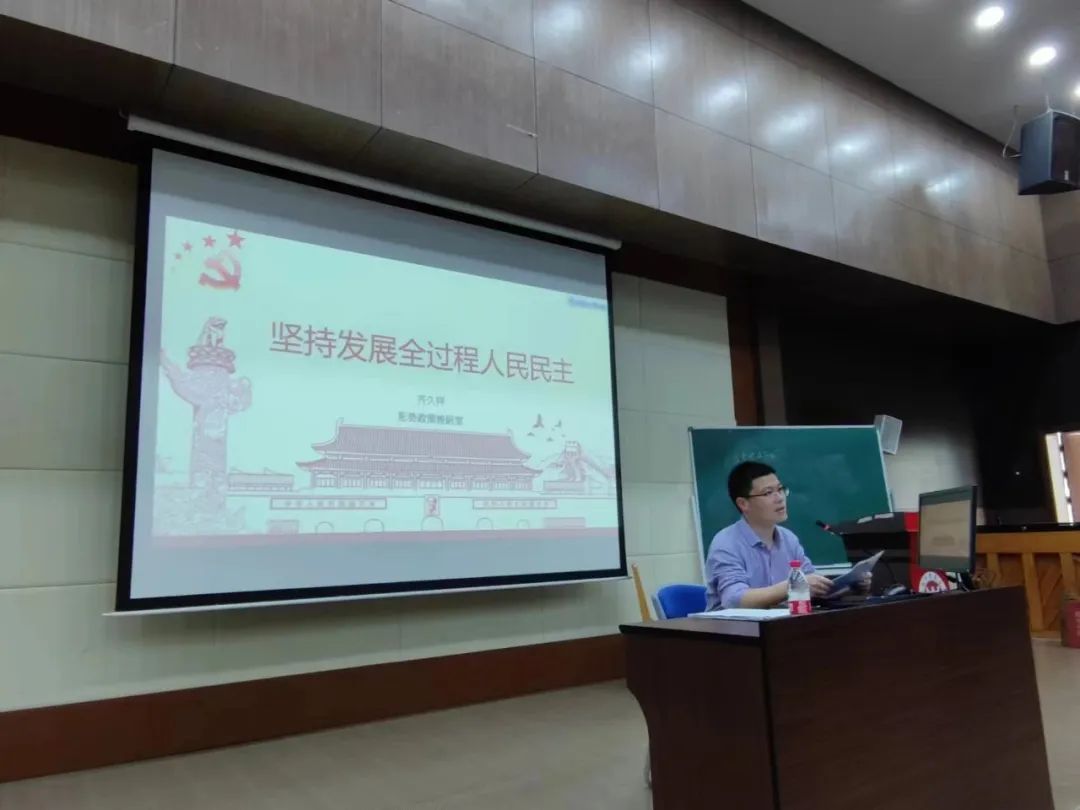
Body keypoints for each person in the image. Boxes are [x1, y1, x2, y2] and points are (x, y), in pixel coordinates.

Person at [704, 461, 868, 611]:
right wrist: (793, 585)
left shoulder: (789, 539)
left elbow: (812, 584)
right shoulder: (726, 543)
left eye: (780, 489)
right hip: (731, 631)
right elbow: (734, 600)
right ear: (743, 503)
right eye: (768, 493)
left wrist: (851, 586)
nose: (780, 498)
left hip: (779, 626)